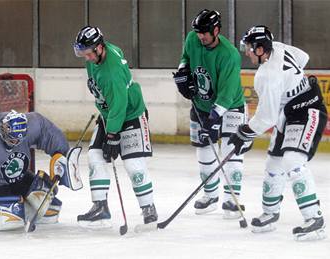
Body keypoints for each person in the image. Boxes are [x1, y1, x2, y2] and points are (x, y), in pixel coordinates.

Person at [229, 25, 327, 241]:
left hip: (307, 110)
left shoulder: (266, 76)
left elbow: (267, 118)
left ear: (261, 49)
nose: (246, 51)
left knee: (293, 160)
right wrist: (294, 81)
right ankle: (270, 213)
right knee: (274, 162)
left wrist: (245, 131)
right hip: (289, 112)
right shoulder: (279, 47)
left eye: (249, 47)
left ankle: (315, 218)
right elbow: (304, 57)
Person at [73, 26, 157, 227]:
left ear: (100, 48)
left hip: (130, 115)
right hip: (110, 115)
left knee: (133, 164)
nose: (86, 58)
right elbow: (105, 96)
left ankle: (149, 209)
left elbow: (119, 105)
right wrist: (105, 118)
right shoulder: (96, 57)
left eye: (88, 53)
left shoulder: (111, 71)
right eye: (83, 53)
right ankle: (100, 208)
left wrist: (112, 135)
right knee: (94, 155)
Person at [173, 9, 246, 218]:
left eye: (204, 32)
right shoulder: (193, 39)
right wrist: (182, 74)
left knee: (232, 151)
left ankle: (232, 200)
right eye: (198, 32)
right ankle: (210, 195)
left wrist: (214, 119)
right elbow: (185, 57)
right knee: (204, 151)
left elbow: (227, 94)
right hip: (201, 105)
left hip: (231, 106)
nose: (200, 36)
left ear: (216, 30)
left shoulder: (229, 54)